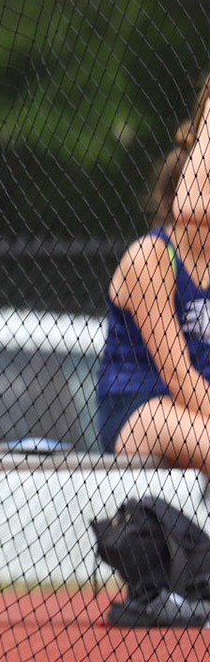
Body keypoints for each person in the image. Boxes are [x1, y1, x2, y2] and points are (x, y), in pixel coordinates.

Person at [99, 71, 210, 479]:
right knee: (177, 420)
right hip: (140, 409)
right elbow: (178, 376)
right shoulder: (152, 257)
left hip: (197, 411)